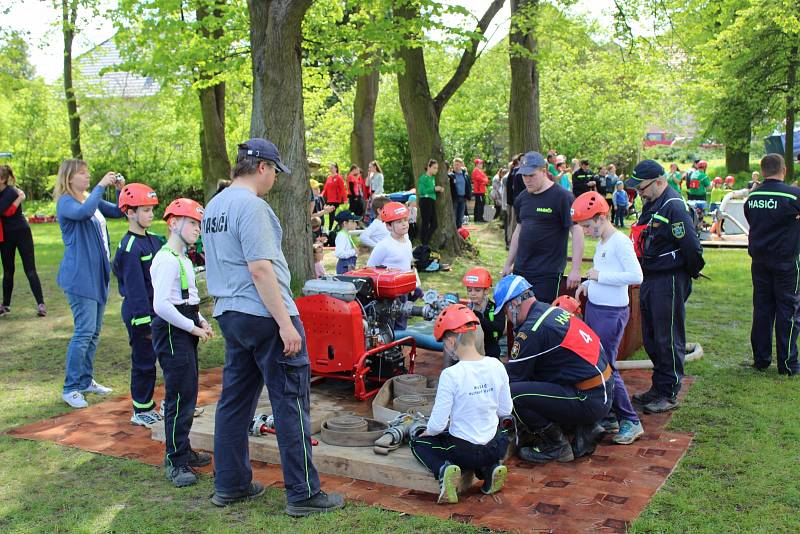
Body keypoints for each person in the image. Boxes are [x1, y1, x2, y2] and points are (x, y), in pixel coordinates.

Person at [202, 138, 343, 514]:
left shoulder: (214, 206)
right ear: (262, 167)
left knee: (234, 402)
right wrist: (286, 323)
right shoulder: (252, 207)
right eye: (275, 173)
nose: (275, 181)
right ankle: (304, 494)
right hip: (265, 314)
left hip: (231, 313)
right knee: (291, 402)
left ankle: (230, 484)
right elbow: (260, 267)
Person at [494, 275, 613, 464]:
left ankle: (556, 445)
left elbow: (513, 378)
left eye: (506, 312)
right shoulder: (550, 311)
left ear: (514, 303)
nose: (508, 319)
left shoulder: (532, 330)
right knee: (538, 375)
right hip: (602, 389)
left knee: (513, 394)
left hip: (589, 398)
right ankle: (583, 428)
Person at [409, 304, 512, 504]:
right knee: (494, 435)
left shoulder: (451, 374)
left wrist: (427, 431)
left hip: (463, 452)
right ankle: (490, 469)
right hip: (496, 447)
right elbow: (505, 410)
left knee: (419, 443)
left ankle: (443, 470)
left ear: (450, 342)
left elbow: (438, 425)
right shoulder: (496, 365)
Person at [625, 160, 705, 413]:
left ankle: (669, 392)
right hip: (651, 278)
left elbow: (692, 247)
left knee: (667, 336)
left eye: (642, 188)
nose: (640, 193)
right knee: (651, 336)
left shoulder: (674, 206)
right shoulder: (652, 203)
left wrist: (688, 273)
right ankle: (658, 387)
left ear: (660, 182)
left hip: (668, 279)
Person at [572, 192, 645, 444]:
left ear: (602, 218)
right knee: (597, 364)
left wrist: (598, 277)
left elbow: (636, 276)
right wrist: (588, 286)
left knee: (606, 367)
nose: (586, 230)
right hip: (597, 309)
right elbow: (602, 274)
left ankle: (631, 420)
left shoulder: (620, 242)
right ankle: (612, 414)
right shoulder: (603, 242)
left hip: (611, 314)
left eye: (588, 225)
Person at [150, 197, 213, 487]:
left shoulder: (184, 258)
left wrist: (199, 320)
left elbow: (186, 298)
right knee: (178, 395)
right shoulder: (166, 259)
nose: (197, 229)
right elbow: (162, 305)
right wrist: (191, 327)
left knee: (188, 391)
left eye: (199, 224)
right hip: (174, 332)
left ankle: (183, 448)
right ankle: (175, 460)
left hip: (185, 326)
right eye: (192, 223)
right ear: (174, 223)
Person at [54, 159, 125, 409]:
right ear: (69, 177)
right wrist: (99, 186)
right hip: (79, 277)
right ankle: (70, 388)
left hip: (97, 276)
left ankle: (85, 381)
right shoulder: (67, 202)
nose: (87, 177)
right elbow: (83, 214)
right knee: (83, 332)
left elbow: (118, 211)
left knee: (93, 332)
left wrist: (118, 189)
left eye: (88, 174)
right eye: (82, 174)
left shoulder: (88, 198)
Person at [111, 183, 163, 427]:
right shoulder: (130, 247)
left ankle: (161, 404)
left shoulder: (153, 241)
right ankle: (141, 409)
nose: (151, 214)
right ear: (129, 212)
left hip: (157, 310)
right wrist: (143, 321)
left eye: (152, 209)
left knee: (162, 359)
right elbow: (135, 289)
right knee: (144, 361)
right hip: (140, 314)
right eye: (145, 210)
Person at [743, 153, 800, 375]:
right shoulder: (793, 195)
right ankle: (788, 364)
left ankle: (761, 359)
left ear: (763, 170)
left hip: (759, 261)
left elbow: (751, 218)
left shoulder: (754, 195)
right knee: (788, 310)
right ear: (783, 170)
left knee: (762, 310)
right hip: (786, 262)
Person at [502, 151, 584, 305]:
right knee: (518, 317)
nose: (527, 180)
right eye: (524, 176)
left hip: (547, 274)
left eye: (531, 175)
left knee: (540, 320)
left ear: (544, 171)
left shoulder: (562, 197)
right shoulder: (522, 198)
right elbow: (518, 231)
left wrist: (575, 269)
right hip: (521, 270)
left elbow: (577, 232)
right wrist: (508, 264)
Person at [0, 165, 45, 317]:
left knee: (30, 270)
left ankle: (41, 304)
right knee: (8, 271)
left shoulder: (11, 191)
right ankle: (5, 305)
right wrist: (20, 198)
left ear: (3, 179)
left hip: (21, 233)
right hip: (5, 236)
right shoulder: (13, 193)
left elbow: (4, 211)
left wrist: (19, 197)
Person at [462, 267, 505, 359]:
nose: (472, 293)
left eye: (477, 290)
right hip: (473, 351)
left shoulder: (495, 308)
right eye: (469, 290)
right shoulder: (467, 310)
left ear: (486, 291)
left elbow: (499, 328)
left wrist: (479, 319)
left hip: (491, 351)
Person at [417, 159, 443, 246]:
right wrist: (434, 189)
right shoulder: (423, 178)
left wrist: (438, 189)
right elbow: (421, 191)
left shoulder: (433, 178)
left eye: (437, 168)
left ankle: (425, 241)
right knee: (425, 222)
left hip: (431, 201)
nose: (436, 170)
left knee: (434, 224)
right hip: (425, 201)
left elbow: (431, 190)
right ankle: (424, 243)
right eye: (434, 168)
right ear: (429, 167)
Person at [333, 210, 360, 274]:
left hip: (349, 265)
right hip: (344, 267)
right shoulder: (341, 235)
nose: (356, 224)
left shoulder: (346, 234)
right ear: (345, 223)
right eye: (353, 221)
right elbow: (339, 253)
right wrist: (354, 251)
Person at [321, 164, 346, 230]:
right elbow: (325, 188)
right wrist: (321, 195)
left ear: (336, 169)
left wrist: (345, 199)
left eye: (332, 168)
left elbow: (343, 189)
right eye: (330, 168)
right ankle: (339, 223)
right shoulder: (329, 178)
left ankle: (330, 229)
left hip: (336, 199)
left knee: (331, 214)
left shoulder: (339, 177)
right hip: (329, 199)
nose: (331, 169)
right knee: (330, 214)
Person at [448, 158, 471, 229]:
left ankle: (459, 231)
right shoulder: (451, 175)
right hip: (455, 198)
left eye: (458, 164)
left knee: (460, 217)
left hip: (463, 198)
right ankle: (454, 230)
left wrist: (468, 196)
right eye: (455, 165)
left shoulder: (465, 175)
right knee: (454, 216)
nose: (456, 166)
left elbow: (468, 186)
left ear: (461, 165)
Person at [471, 158, 489, 222]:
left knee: (479, 204)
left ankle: (477, 218)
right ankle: (479, 218)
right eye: (480, 163)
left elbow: (486, 179)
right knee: (480, 204)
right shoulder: (476, 171)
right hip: (479, 190)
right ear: (476, 164)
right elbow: (481, 179)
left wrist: (485, 180)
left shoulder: (480, 171)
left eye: (481, 163)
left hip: (481, 190)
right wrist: (484, 180)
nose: (481, 164)